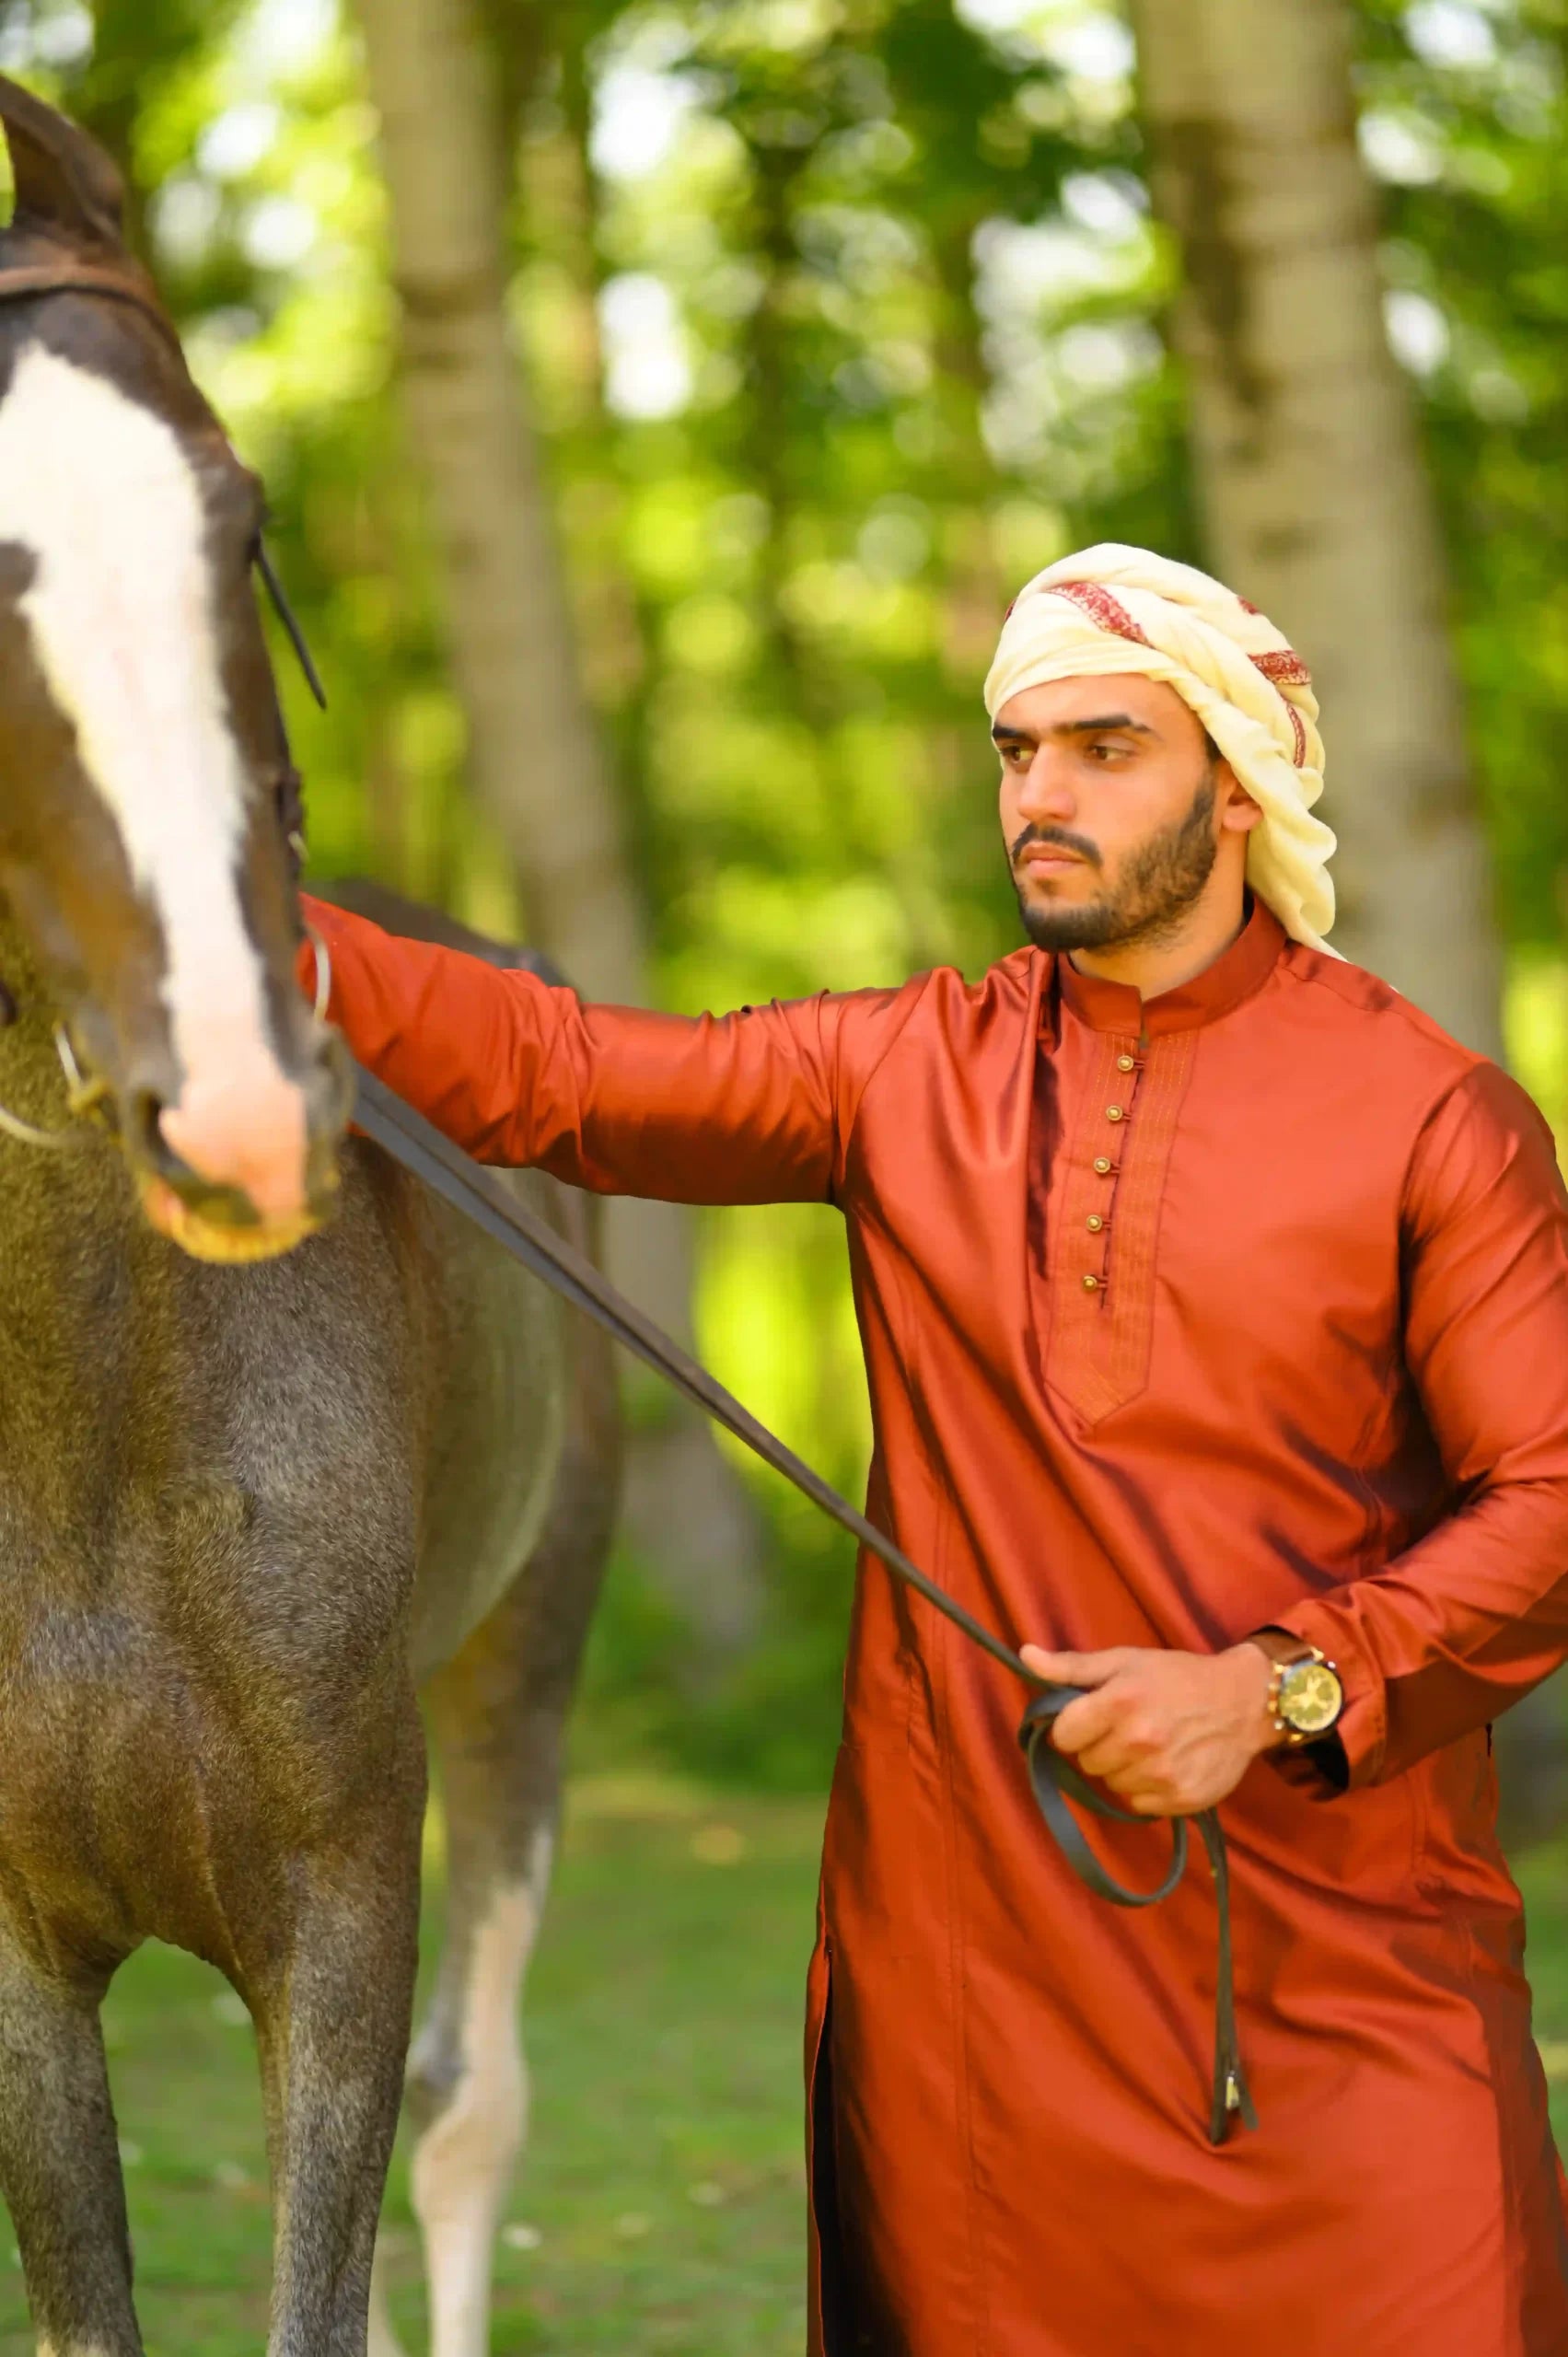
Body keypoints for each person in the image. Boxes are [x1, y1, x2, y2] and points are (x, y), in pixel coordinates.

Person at [300, 544, 1568, 2354]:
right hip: (985, 2011)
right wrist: (220, 915)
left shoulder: (1437, 1114)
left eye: (1102, 747)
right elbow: (560, 1070)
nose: (1039, 795)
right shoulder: (910, 1070)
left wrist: (1275, 1687)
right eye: (1016, 747)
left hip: (1360, 1991)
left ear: (1234, 779)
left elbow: (1554, 1499)